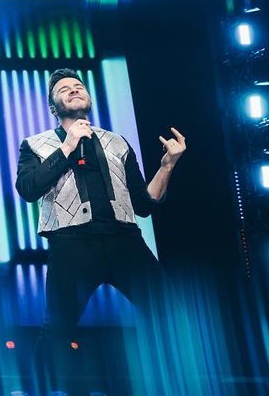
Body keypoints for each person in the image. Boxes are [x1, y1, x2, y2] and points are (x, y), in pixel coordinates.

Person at [15, 68, 186, 366]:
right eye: (64, 89)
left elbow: (144, 204)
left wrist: (167, 166)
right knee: (57, 328)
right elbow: (28, 189)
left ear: (89, 98)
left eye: (78, 86)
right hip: (71, 244)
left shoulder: (117, 142)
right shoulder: (35, 144)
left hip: (125, 241)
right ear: (53, 108)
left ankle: (182, 379)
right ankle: (44, 388)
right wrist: (67, 146)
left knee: (169, 313)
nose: (73, 89)